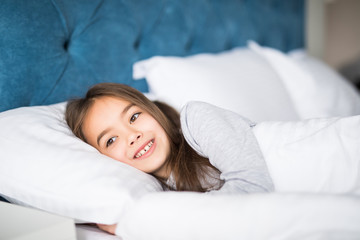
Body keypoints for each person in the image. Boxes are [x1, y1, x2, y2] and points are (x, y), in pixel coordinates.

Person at [65, 82, 274, 234]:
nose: (132, 135)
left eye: (134, 117)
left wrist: (142, 224)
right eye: (111, 140)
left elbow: (253, 190)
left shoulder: (196, 119)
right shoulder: (154, 197)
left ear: (153, 111)